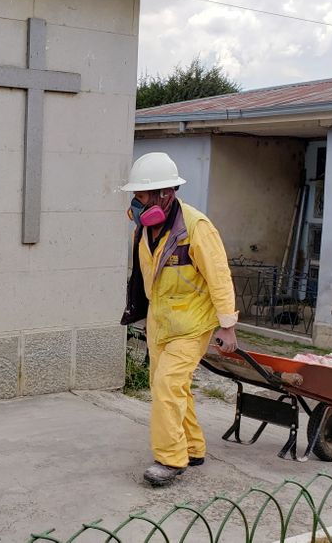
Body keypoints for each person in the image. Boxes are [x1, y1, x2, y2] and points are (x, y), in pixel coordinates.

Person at [121, 152, 238, 487]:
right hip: (161, 322)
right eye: (136, 197)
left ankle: (170, 459)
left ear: (165, 194)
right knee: (175, 387)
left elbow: (219, 276)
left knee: (166, 386)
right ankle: (192, 446)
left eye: (142, 196)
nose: (137, 203)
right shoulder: (142, 232)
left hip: (192, 323)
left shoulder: (196, 227)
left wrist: (227, 326)